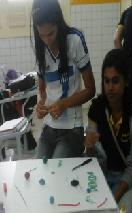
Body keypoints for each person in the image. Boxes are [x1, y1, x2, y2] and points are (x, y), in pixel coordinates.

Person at [84, 49, 132, 213]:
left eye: (115, 81)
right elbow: (92, 159)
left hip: (127, 181)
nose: (110, 87)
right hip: (102, 176)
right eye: (106, 81)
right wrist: (88, 147)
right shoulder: (96, 109)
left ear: (127, 81)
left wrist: (113, 196)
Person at [32, 0, 95, 159]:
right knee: (40, 170)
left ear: (59, 24)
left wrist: (64, 103)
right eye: (41, 35)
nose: (47, 40)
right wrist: (40, 104)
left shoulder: (75, 40)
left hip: (72, 128)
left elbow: (90, 89)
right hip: (49, 126)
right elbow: (42, 89)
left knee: (56, 173)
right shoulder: (40, 46)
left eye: (51, 33)